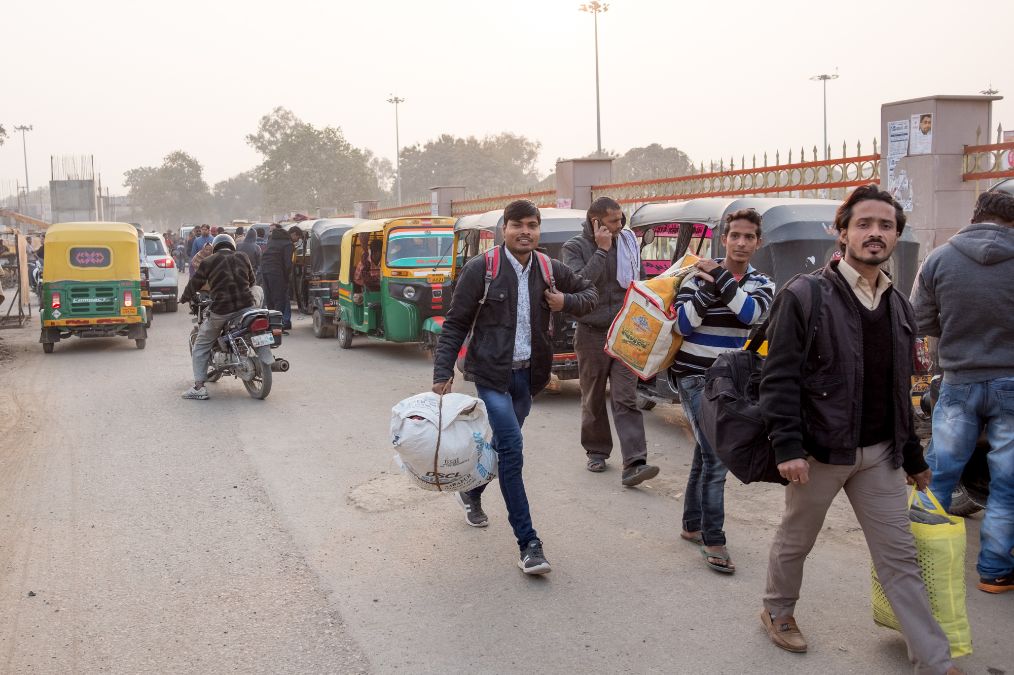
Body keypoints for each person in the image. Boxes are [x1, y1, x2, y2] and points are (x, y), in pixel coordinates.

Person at [759, 186, 960, 674]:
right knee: (796, 539)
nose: (875, 234)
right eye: (865, 224)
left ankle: (935, 661)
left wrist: (914, 459)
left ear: (896, 236)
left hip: (880, 455)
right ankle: (777, 610)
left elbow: (898, 388)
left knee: (900, 560)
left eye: (885, 226)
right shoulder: (804, 295)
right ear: (841, 230)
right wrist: (788, 447)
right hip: (820, 453)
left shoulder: (897, 304)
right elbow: (779, 378)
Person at [432, 199, 597, 575]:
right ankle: (529, 544)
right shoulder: (481, 269)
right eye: (518, 225)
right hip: (491, 376)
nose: (526, 232)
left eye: (533, 225)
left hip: (529, 377)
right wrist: (443, 373)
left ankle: (471, 491)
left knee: (502, 449)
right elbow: (456, 323)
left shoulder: (549, 268)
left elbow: (590, 296)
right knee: (513, 448)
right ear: (503, 229)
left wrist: (563, 301)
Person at [912, 189, 1014, 594]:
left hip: (957, 382)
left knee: (935, 475)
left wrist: (958, 331)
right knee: (1007, 484)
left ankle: (919, 564)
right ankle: (994, 572)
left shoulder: (940, 258)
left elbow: (919, 318)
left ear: (975, 215)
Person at [671, 208, 774, 574]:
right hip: (692, 375)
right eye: (735, 236)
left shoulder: (762, 283)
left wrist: (719, 281)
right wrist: (711, 287)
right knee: (717, 455)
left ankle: (691, 524)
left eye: (749, 237)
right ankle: (714, 538)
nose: (741, 243)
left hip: (728, 380)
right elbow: (683, 323)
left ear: (758, 242)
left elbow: (750, 315)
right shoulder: (693, 277)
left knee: (705, 448)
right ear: (724, 239)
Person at [561, 196, 659, 485]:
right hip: (591, 334)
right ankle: (597, 451)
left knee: (626, 397)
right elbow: (579, 282)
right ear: (596, 222)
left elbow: (637, 281)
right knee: (592, 397)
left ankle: (635, 462)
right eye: (614, 221)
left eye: (621, 219)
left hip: (624, 331)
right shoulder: (574, 247)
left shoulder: (626, 243)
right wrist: (602, 252)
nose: (620, 226)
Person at [179, 234, 256, 401]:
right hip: (247, 307)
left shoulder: (209, 261)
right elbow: (252, 280)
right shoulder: (243, 256)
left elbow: (195, 283)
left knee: (201, 344)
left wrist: (184, 297)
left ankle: (199, 387)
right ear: (232, 245)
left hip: (223, 309)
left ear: (214, 247)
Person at [261, 225, 293, 331]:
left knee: (269, 299)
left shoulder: (271, 241)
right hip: (276, 273)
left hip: (264, 271)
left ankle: (270, 326)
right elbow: (288, 264)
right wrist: (286, 278)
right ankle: (277, 328)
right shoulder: (288, 243)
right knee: (279, 299)